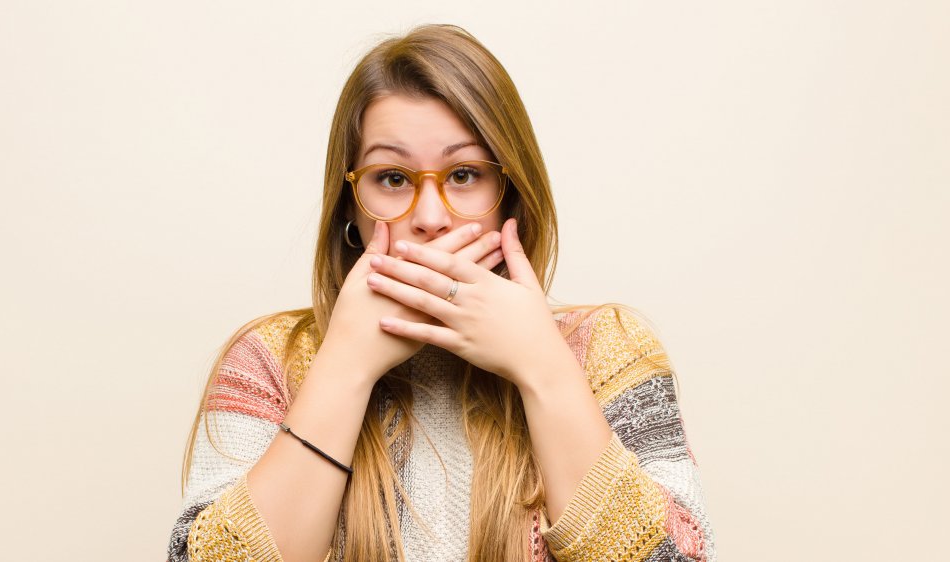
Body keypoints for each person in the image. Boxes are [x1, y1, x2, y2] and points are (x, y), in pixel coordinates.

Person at [166, 23, 717, 562]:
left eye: (463, 174)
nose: (429, 217)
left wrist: (545, 370)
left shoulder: (607, 348)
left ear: (512, 198)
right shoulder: (269, 359)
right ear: (349, 211)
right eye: (392, 178)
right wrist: (345, 368)